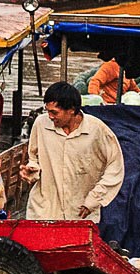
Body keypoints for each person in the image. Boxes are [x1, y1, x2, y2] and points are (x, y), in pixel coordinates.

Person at [21, 82, 125, 221]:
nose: (50, 117)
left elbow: (115, 167)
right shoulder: (41, 124)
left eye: (54, 112)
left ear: (72, 110)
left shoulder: (97, 130)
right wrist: (32, 170)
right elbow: (33, 158)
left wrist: (94, 199)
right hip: (43, 210)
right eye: (48, 111)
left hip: (81, 212)